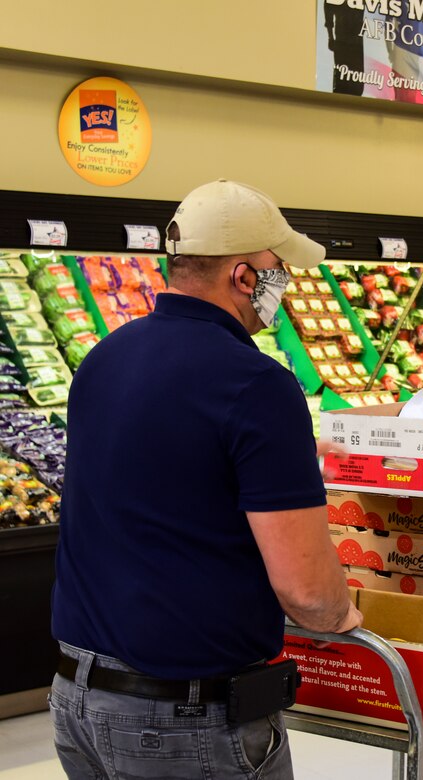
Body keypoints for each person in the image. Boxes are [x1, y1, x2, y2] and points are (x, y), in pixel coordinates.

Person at [50, 179, 363, 779]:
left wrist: (288, 457)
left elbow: (160, 479)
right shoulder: (256, 382)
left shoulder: (104, 357)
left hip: (78, 701)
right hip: (184, 721)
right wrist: (340, 615)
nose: (286, 287)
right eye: (279, 271)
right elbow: (308, 594)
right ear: (244, 277)